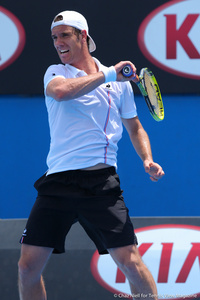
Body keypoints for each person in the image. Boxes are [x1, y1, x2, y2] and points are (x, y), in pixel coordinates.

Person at [18, 10, 164, 300]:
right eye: (54, 37)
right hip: (57, 183)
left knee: (131, 262)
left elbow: (135, 127)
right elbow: (61, 93)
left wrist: (146, 159)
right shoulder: (56, 73)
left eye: (64, 35)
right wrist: (110, 73)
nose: (58, 42)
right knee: (27, 267)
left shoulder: (118, 84)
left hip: (101, 185)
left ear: (83, 36)